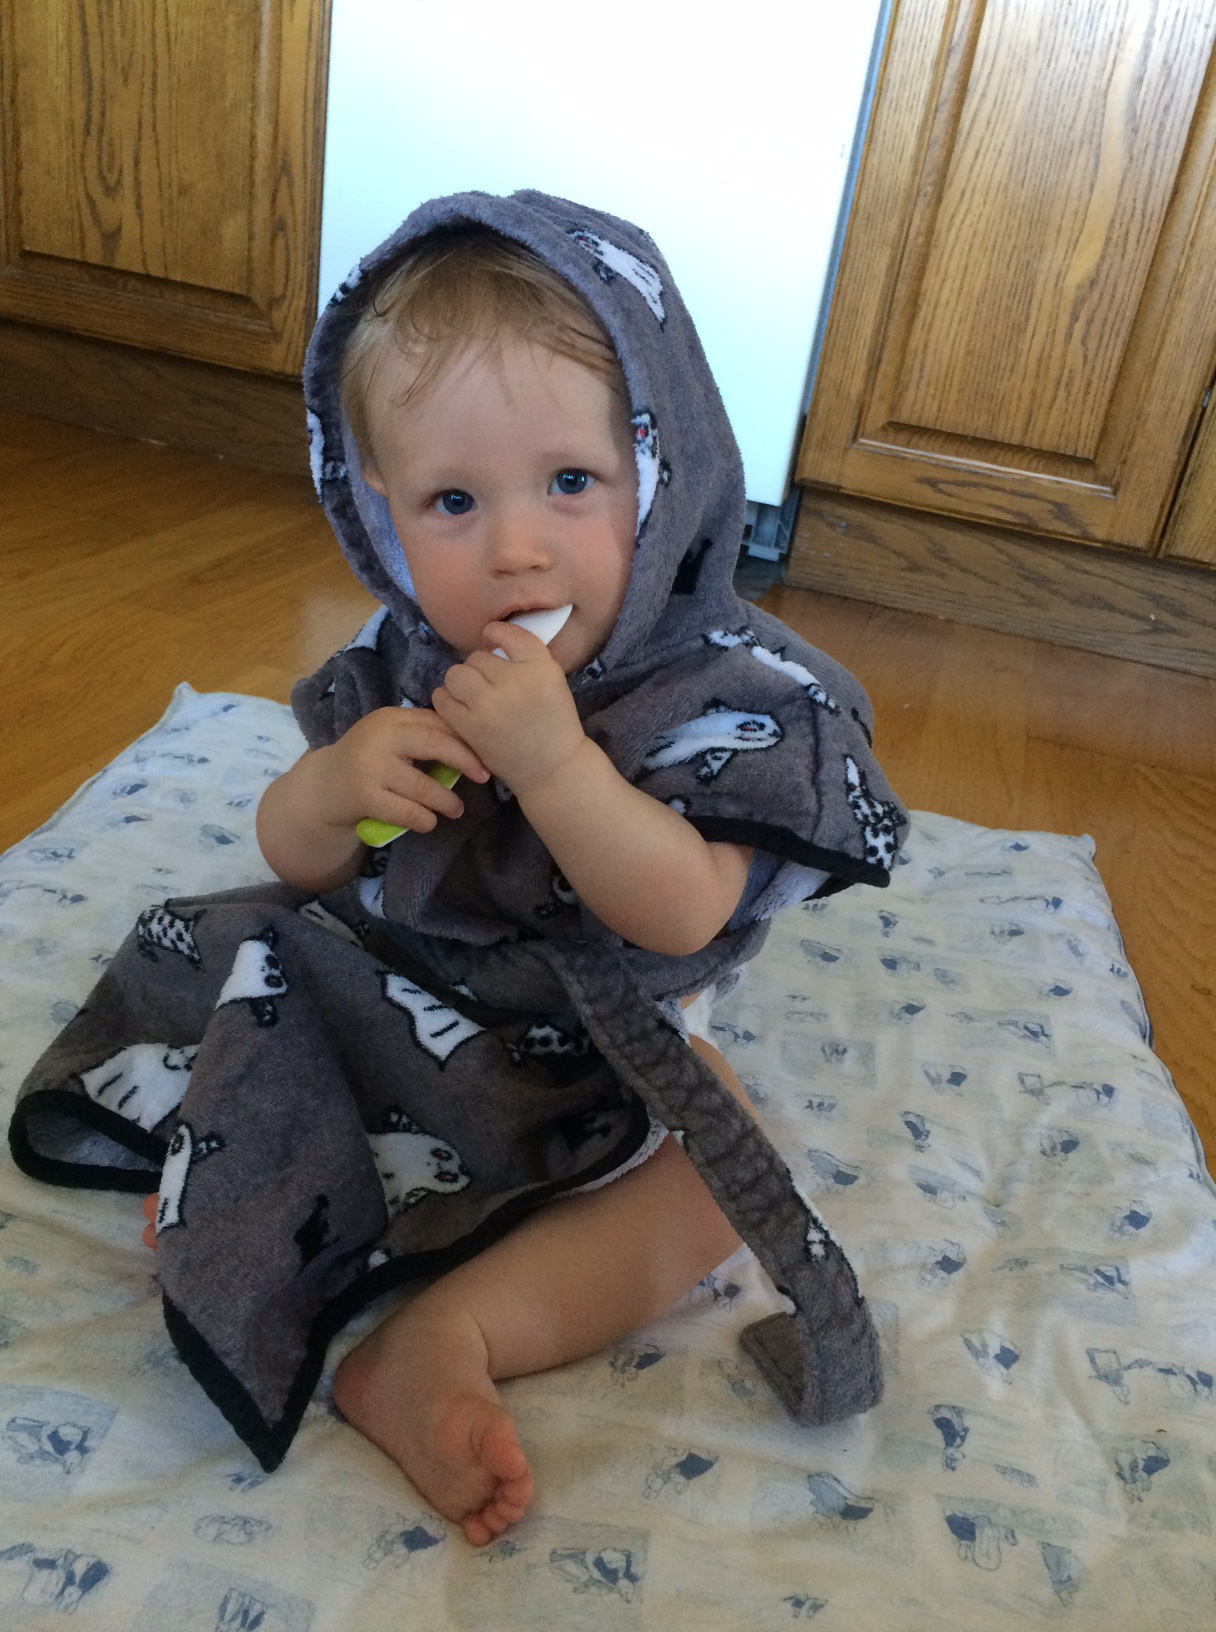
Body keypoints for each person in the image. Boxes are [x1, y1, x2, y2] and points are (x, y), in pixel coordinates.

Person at [12, 191, 906, 1549]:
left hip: (589, 1046)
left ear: (664, 471)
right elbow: (300, 860)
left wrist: (558, 769)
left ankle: (449, 1335)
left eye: (571, 482)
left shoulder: (725, 692)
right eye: (452, 501)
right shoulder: (407, 668)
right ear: (380, 509)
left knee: (713, 1166)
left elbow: (684, 907)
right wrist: (333, 791)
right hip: (388, 995)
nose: (515, 549)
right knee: (249, 975)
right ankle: (252, 1190)